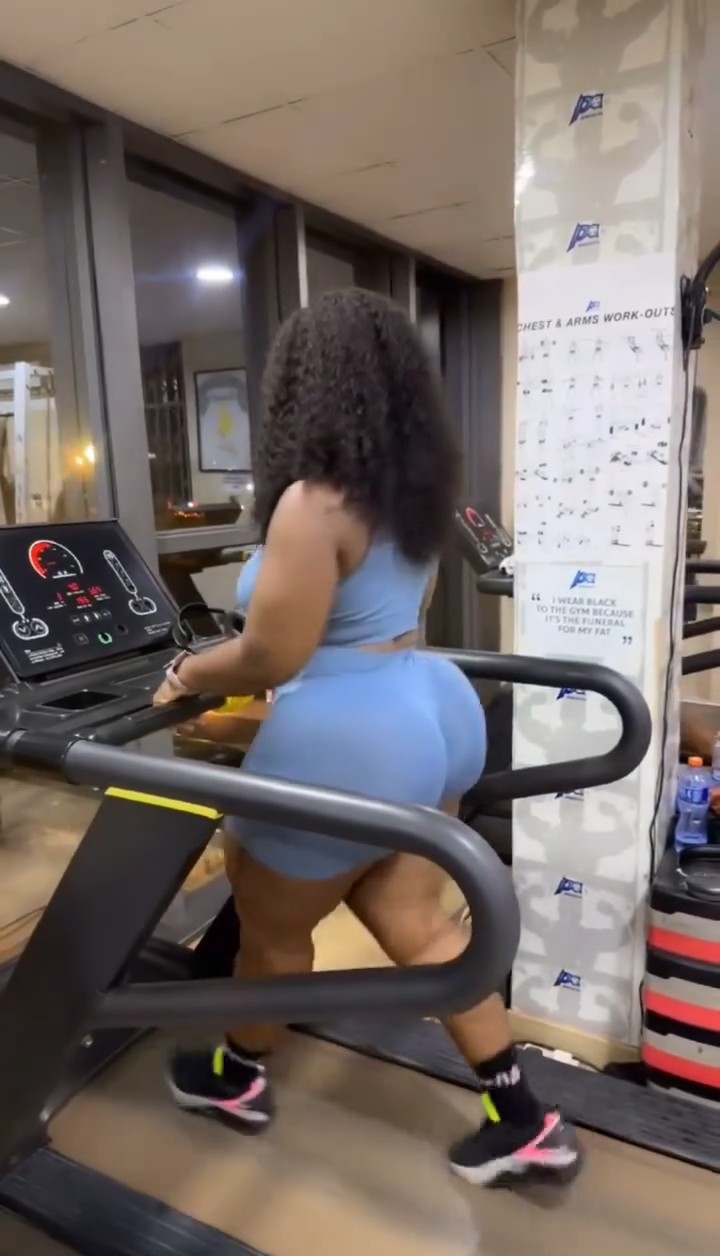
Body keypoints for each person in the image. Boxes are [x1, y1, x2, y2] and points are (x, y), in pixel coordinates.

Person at [153, 287, 580, 1188]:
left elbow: (274, 651)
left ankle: (235, 1078)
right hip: (430, 706)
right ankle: (523, 1119)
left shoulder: (314, 502)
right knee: (418, 924)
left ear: (302, 388)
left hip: (347, 733)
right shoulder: (418, 496)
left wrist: (187, 675)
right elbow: (393, 615)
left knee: (273, 936)